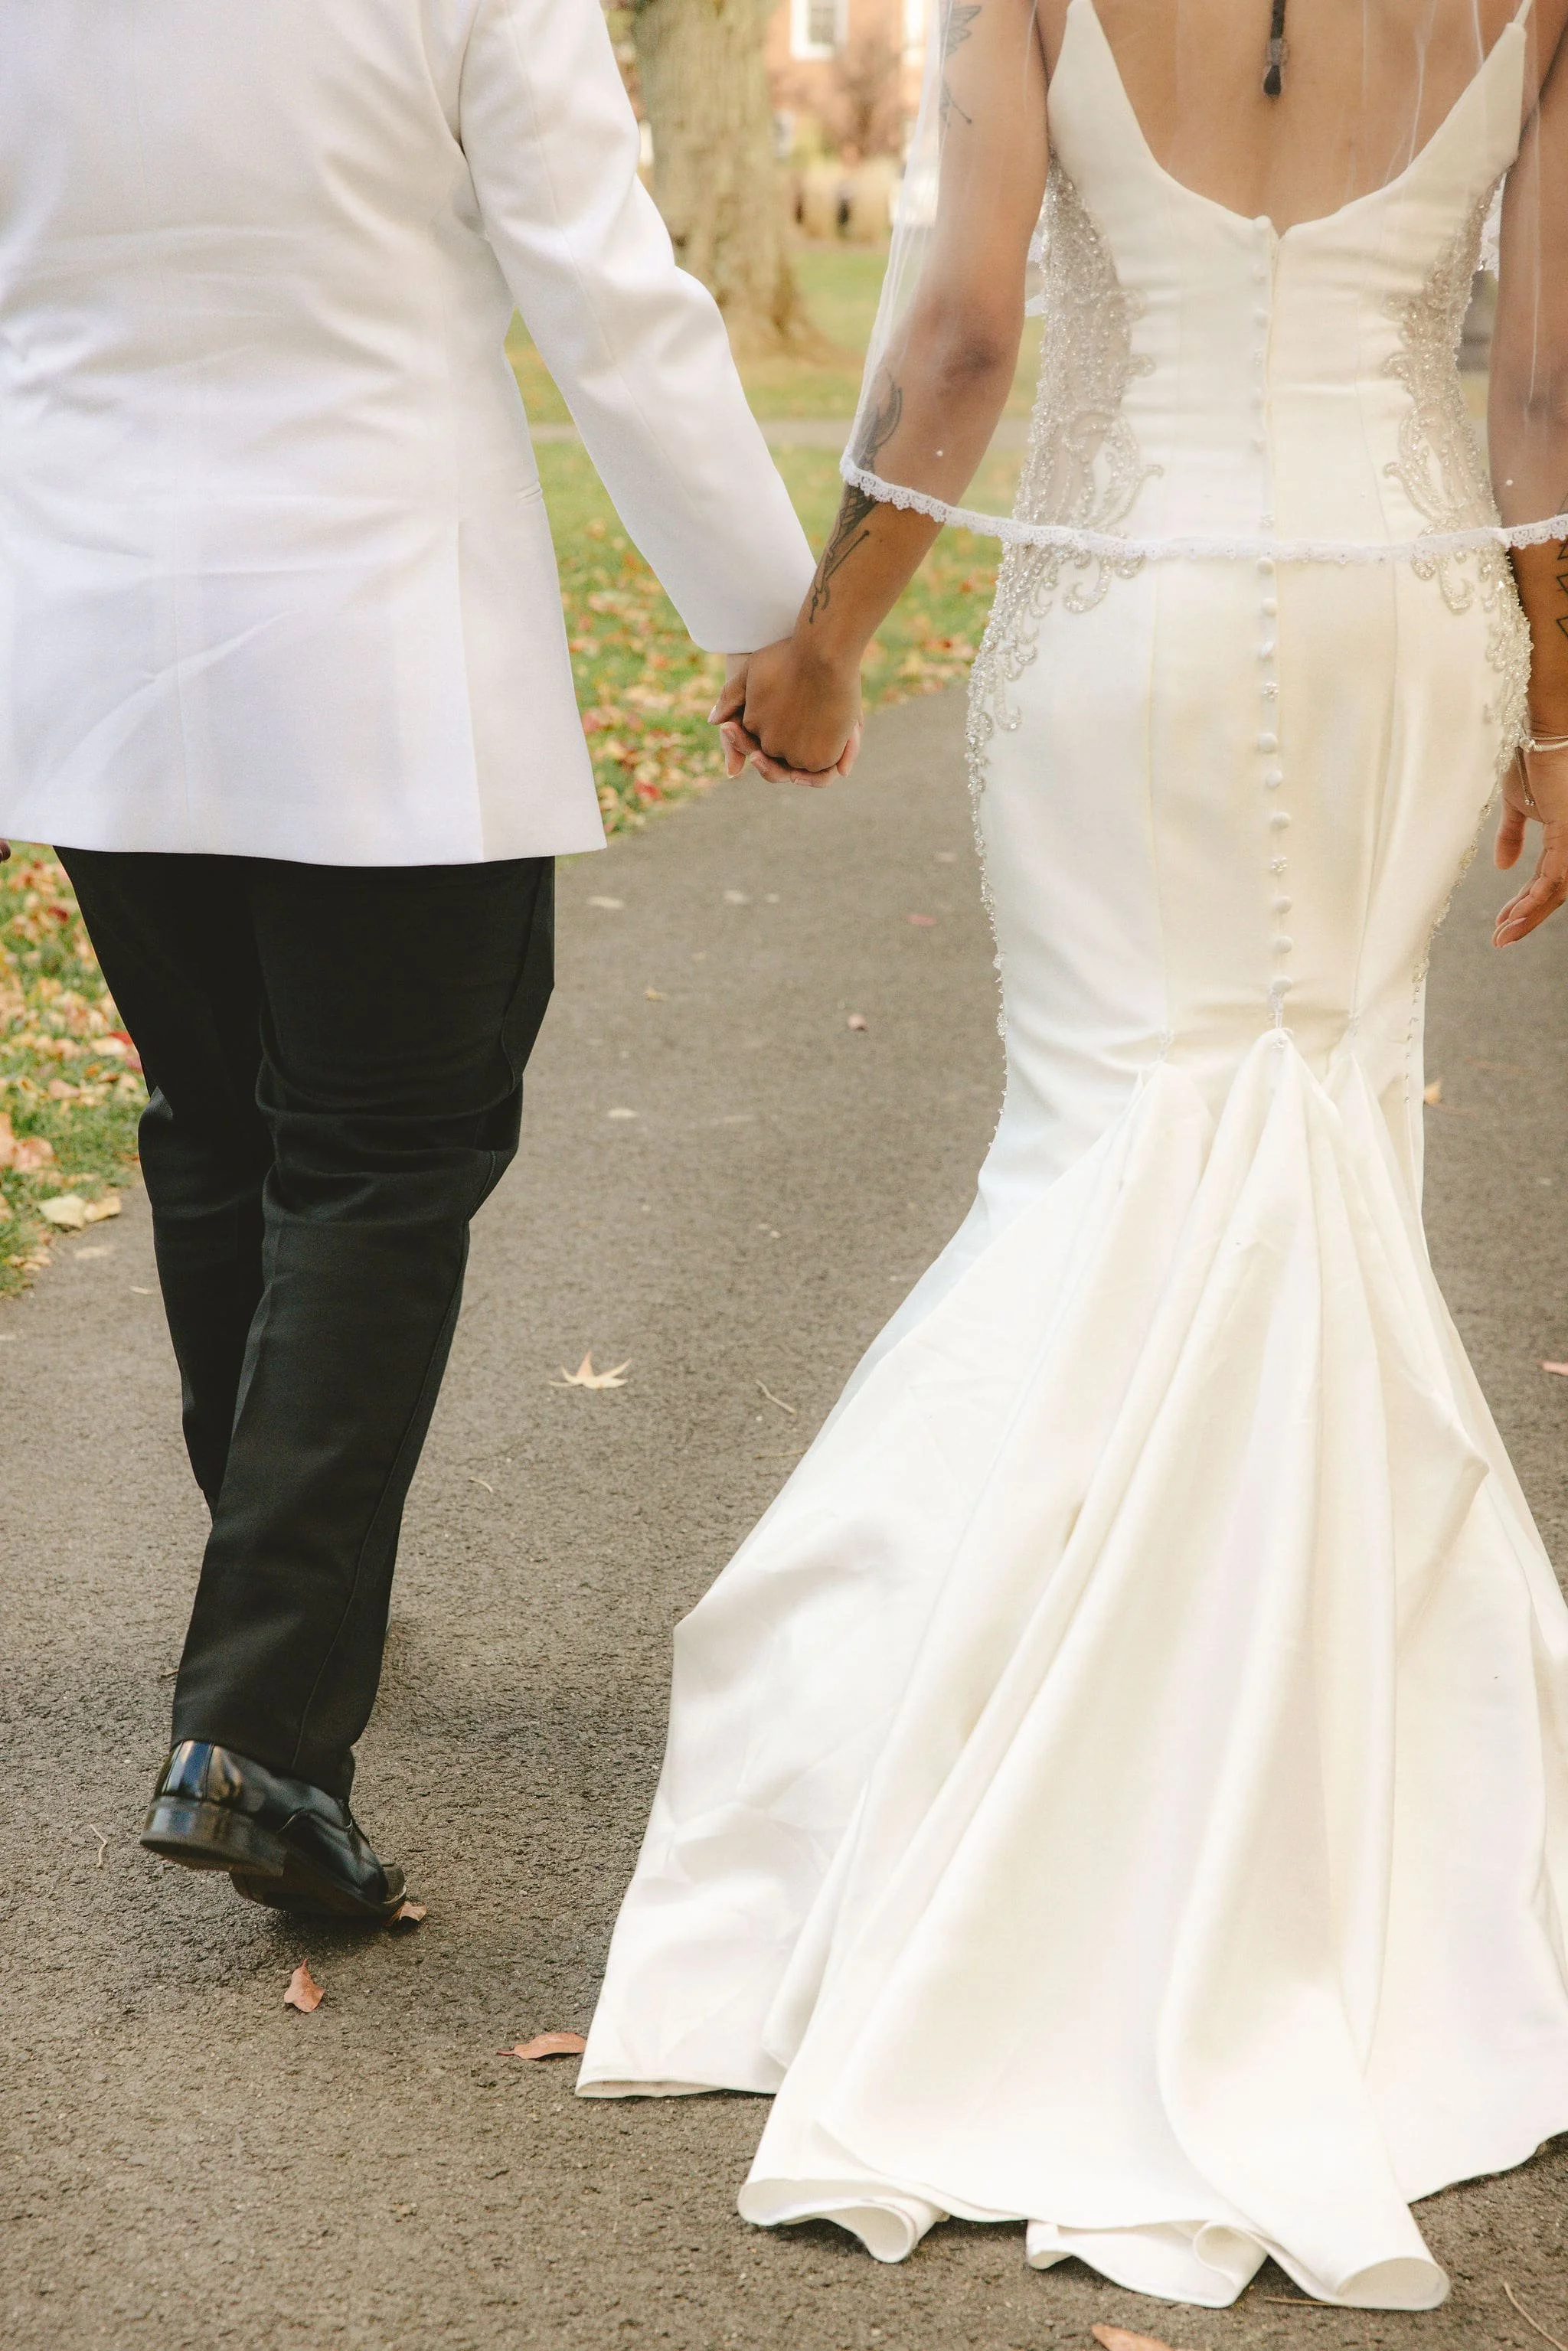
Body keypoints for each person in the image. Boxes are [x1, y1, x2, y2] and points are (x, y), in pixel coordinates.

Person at [580, 0, 1568, 2313]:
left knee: (1102, 1154)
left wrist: (827, 638)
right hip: (1392, 611)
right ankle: (1329, 1845)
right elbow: (1539, 392)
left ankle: (1021, 1845)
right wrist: (1557, 682)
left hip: (1124, 614)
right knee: (1317, 1137)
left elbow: (958, 337)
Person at [0, 0, 818, 1921]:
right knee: (382, 1154)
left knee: (221, 1127)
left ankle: (274, 1580)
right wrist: (775, 616)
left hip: (101, 627)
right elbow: (606, 292)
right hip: (374, 628)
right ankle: (266, 1729)